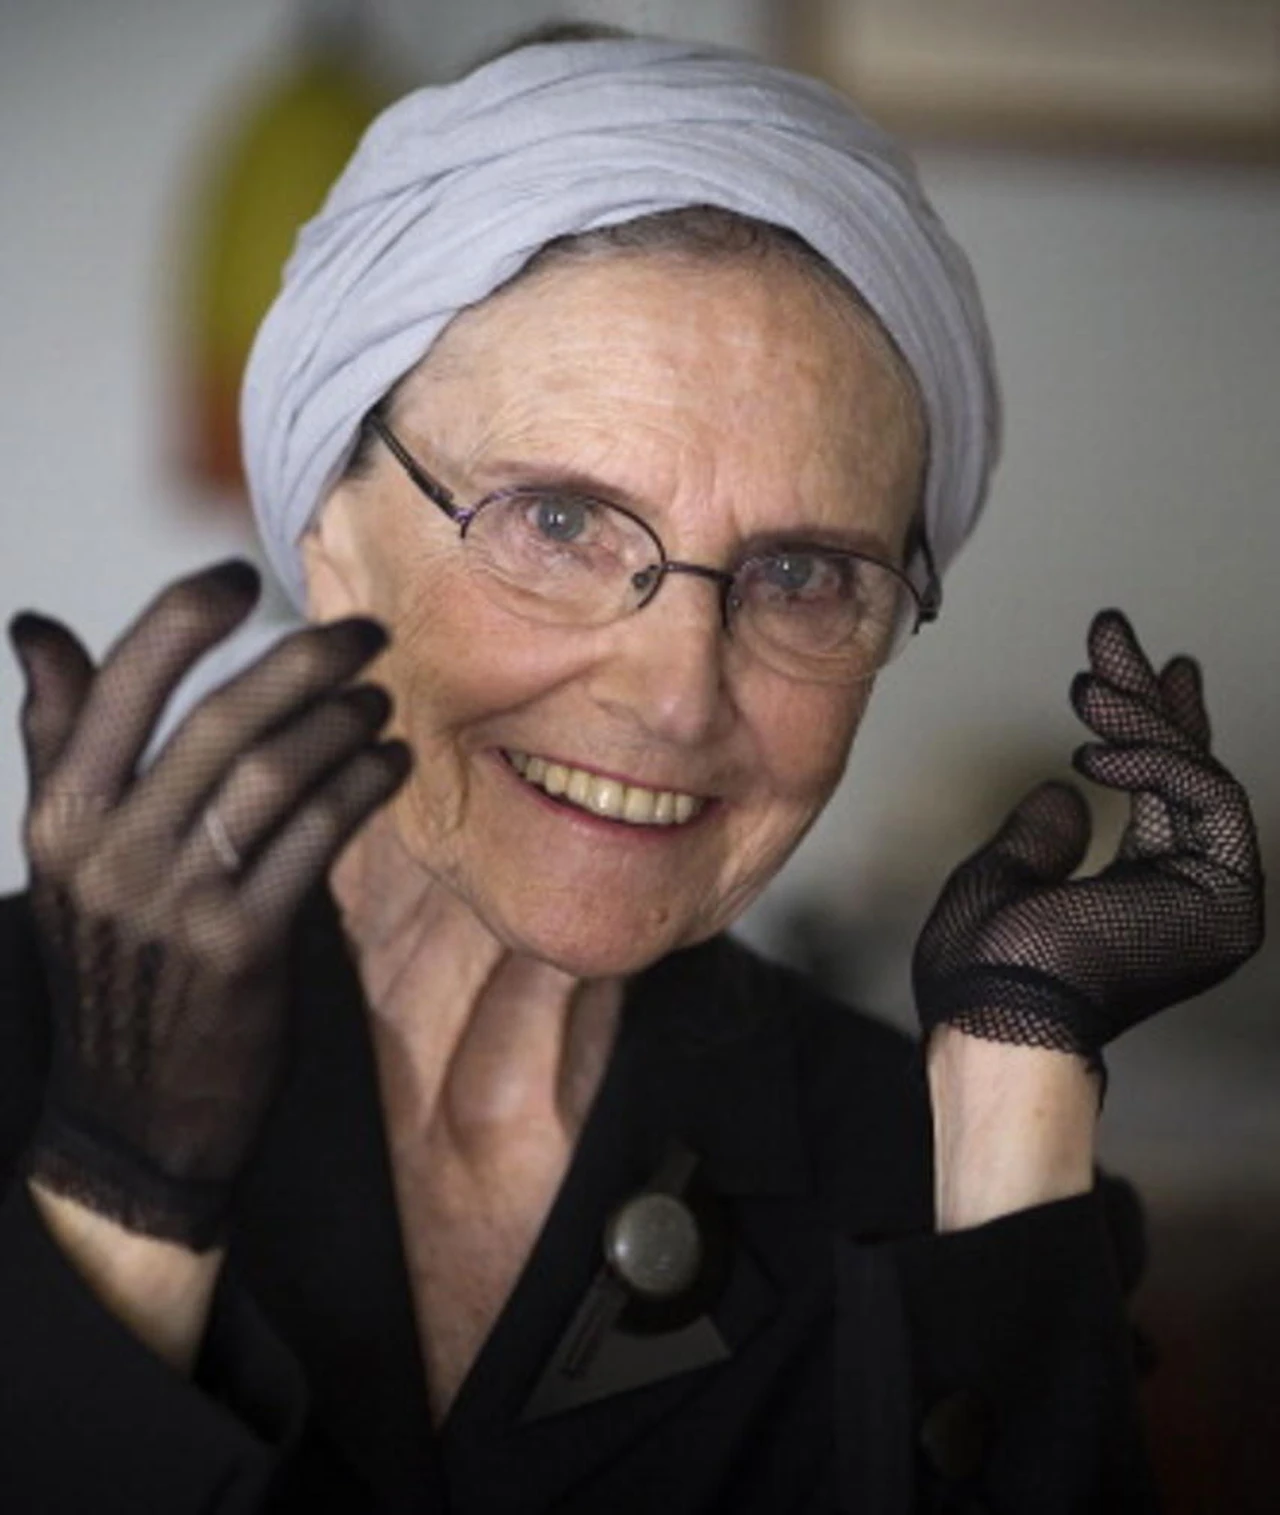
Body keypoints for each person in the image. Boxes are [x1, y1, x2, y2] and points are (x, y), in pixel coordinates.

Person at [0, 27, 1264, 1515]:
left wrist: (1008, 1098)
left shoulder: (921, 1170)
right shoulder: (32, 1049)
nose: (674, 700)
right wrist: (124, 1189)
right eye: (557, 523)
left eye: (801, 573)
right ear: (332, 541)